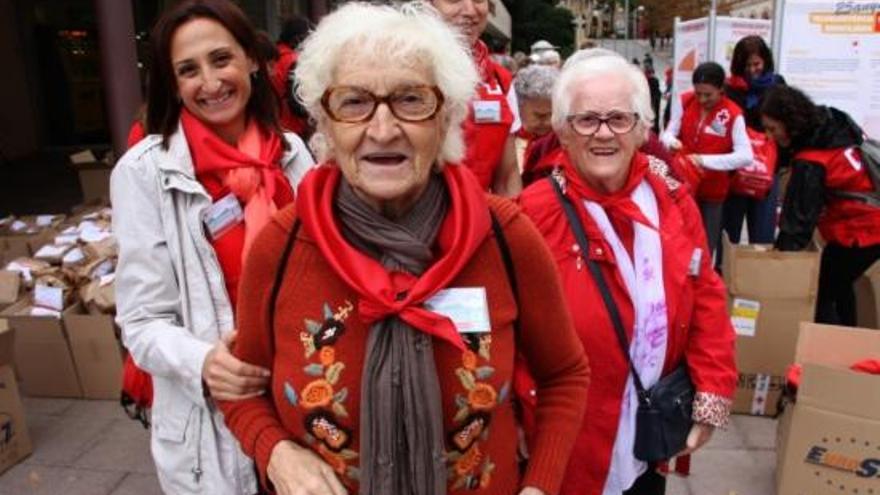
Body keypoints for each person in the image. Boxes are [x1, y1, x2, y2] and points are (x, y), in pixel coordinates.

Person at [218, 3, 591, 495]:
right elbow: (240, 390)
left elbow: (565, 373)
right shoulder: (282, 246)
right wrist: (276, 452)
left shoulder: (505, 237)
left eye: (411, 100)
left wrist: (539, 486)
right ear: (325, 124)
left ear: (447, 117)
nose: (383, 129)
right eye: (353, 102)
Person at [111, 0, 315, 493]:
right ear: (173, 83)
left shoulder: (293, 153)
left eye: (221, 59)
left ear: (250, 59)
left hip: (306, 396)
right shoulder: (144, 173)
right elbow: (140, 321)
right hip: (218, 425)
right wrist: (203, 360)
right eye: (188, 70)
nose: (210, 81)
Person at [519, 50, 737, 495]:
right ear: (562, 130)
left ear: (642, 129)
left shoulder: (672, 199)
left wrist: (712, 389)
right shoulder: (532, 213)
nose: (604, 133)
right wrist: (515, 416)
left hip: (645, 436)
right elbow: (508, 329)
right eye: (586, 120)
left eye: (619, 119)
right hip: (566, 442)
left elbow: (706, 294)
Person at [761, 85, 880, 325]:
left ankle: (830, 347)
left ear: (790, 123)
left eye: (773, 128)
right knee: (840, 285)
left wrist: (777, 265)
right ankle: (848, 336)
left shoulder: (812, 160)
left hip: (860, 231)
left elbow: (798, 223)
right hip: (867, 225)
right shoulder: (834, 126)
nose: (770, 136)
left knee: (820, 292)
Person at [661, 62, 753, 257]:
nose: (702, 99)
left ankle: (702, 283)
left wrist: (704, 160)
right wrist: (670, 141)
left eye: (708, 95)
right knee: (681, 241)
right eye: (698, 93)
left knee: (705, 247)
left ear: (721, 90)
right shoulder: (685, 101)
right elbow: (669, 132)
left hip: (713, 190)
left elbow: (745, 156)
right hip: (683, 185)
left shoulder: (733, 114)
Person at [431, 0, 523, 196]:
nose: (470, 11)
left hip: (480, 219)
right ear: (427, 4)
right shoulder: (401, 68)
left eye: (479, 0)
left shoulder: (500, 80)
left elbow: (507, 177)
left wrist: (511, 225)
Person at [722, 35, 786, 246]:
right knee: (729, 233)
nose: (752, 70)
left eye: (756, 64)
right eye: (747, 65)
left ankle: (759, 276)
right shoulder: (729, 89)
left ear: (765, 61)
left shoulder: (777, 86)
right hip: (736, 170)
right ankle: (726, 271)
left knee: (763, 234)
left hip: (767, 169)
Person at [273, 15, 312, 137]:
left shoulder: (272, 56)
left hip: (273, 124)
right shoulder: (293, 61)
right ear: (297, 38)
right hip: (293, 127)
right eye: (306, 37)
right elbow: (296, 103)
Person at [513, 65, 558, 170]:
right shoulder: (508, 140)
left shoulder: (562, 141)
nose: (548, 122)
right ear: (519, 107)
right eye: (540, 116)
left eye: (553, 114)